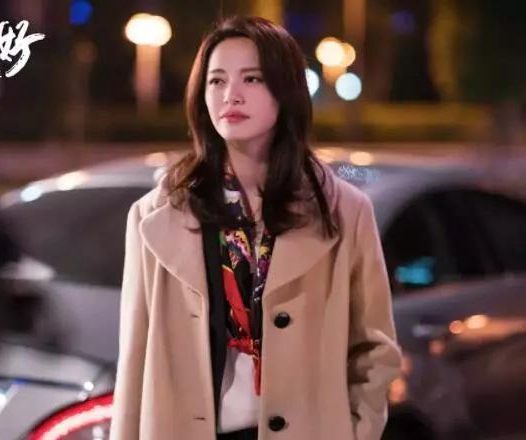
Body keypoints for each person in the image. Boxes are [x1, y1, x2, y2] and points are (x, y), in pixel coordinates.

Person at [110, 16, 402, 440]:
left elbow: (374, 351)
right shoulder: (155, 215)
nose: (231, 94)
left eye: (252, 79)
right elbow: (134, 361)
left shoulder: (345, 212)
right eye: (216, 81)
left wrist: (357, 431)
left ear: (285, 91)